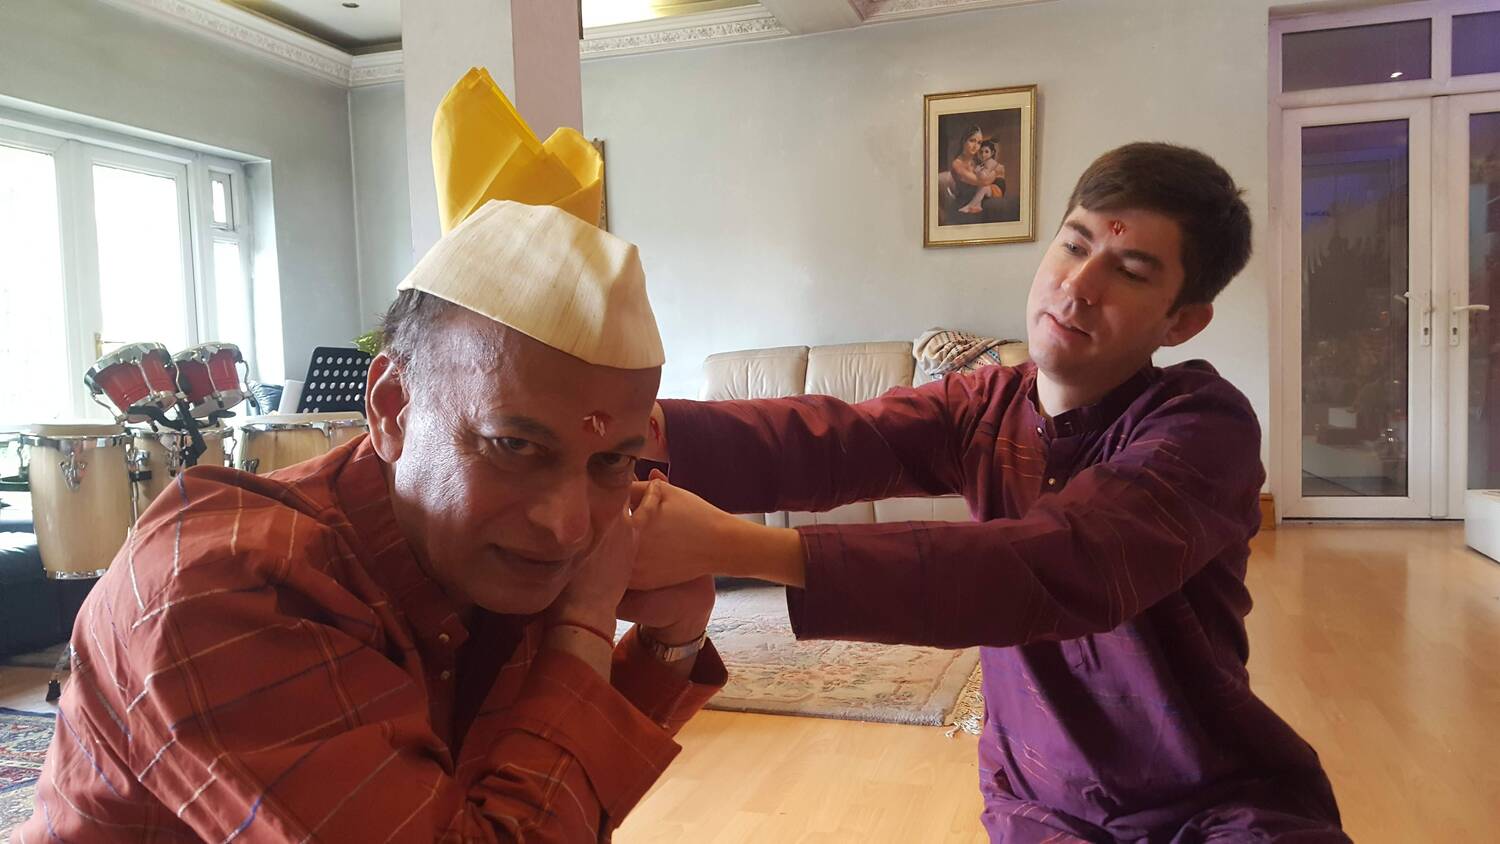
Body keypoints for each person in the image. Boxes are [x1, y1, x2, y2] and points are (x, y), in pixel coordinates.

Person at [16, 70, 724, 843]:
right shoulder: (223, 590)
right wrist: (584, 626)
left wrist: (673, 638)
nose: (568, 527)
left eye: (610, 462)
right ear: (390, 406)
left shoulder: (485, 549)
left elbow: (543, 798)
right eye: (514, 446)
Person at [629, 143, 1351, 842]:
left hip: (1208, 802)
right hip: (1041, 808)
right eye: (1074, 245)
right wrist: (638, 424)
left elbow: (1060, 563)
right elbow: (834, 438)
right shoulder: (985, 406)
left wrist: (738, 548)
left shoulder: (1204, 427)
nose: (1079, 285)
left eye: (1130, 270)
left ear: (1182, 321)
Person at [959, 139, 1007, 215]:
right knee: (980, 184)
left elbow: (983, 177)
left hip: (997, 189)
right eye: (981, 152)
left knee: (983, 186)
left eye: (986, 152)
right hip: (990, 186)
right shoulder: (984, 163)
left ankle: (969, 206)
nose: (983, 154)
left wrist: (977, 171)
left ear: (992, 153)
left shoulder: (991, 162)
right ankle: (978, 206)